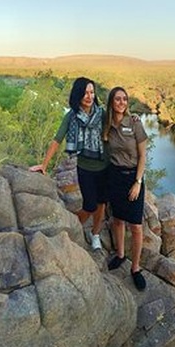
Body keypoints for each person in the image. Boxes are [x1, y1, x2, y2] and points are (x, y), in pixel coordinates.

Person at [31, 77, 108, 250]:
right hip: (85, 167)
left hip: (104, 166)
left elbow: (119, 122)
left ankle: (95, 234)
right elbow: (57, 139)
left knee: (102, 203)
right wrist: (44, 165)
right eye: (85, 93)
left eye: (91, 92)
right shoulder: (71, 116)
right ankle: (74, 226)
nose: (89, 96)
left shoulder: (101, 113)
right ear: (78, 95)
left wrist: (132, 118)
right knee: (89, 205)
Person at [103, 86, 148, 291]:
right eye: (117, 99)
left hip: (132, 178)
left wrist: (138, 182)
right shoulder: (107, 123)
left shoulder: (135, 123)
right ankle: (121, 255)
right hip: (114, 176)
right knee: (118, 219)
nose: (121, 102)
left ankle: (136, 268)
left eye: (124, 99)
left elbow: (143, 156)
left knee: (136, 227)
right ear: (112, 102)